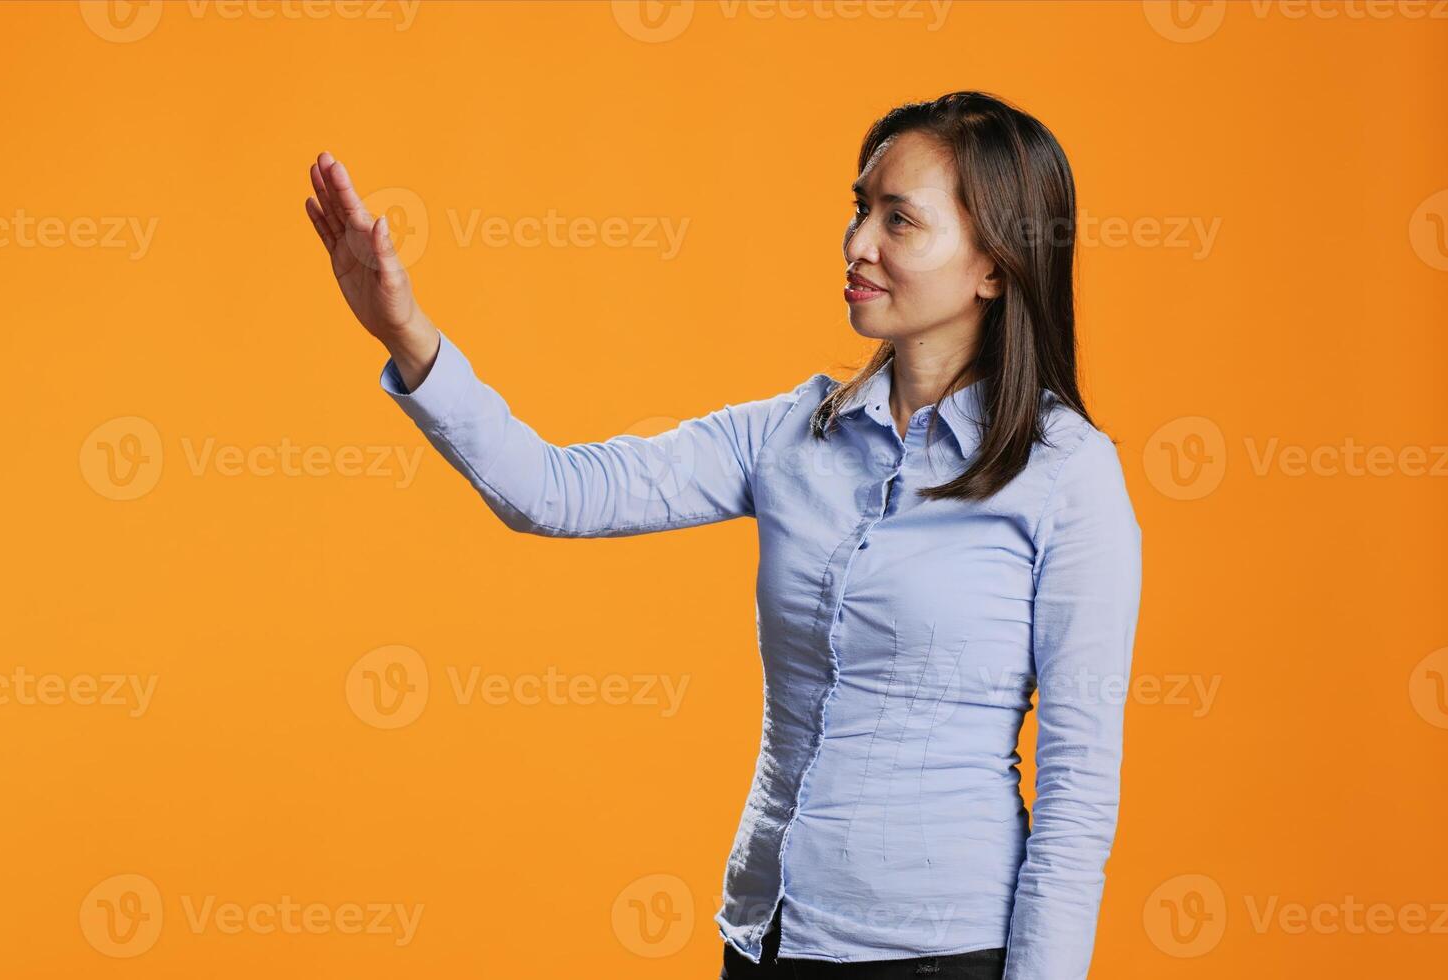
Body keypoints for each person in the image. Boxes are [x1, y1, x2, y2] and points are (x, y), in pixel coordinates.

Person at [306, 90, 1143, 980]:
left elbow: (1076, 794)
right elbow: (551, 491)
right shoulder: (789, 435)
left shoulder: (1065, 476)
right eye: (860, 208)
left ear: (994, 269)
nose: (858, 244)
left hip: (942, 952)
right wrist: (405, 329)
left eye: (900, 221)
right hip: (765, 937)